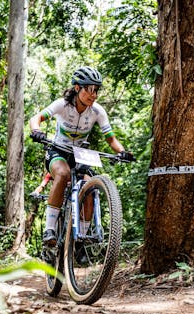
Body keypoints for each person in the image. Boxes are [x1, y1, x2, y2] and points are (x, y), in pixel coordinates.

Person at [29, 66, 134, 246]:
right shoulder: (62, 104)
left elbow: (111, 139)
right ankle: (50, 229)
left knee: (90, 187)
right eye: (89, 90)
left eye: (96, 91)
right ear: (78, 88)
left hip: (80, 155)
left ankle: (81, 240)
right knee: (62, 174)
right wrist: (36, 130)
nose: (93, 95)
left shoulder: (97, 111)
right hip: (58, 151)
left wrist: (122, 152)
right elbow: (35, 118)